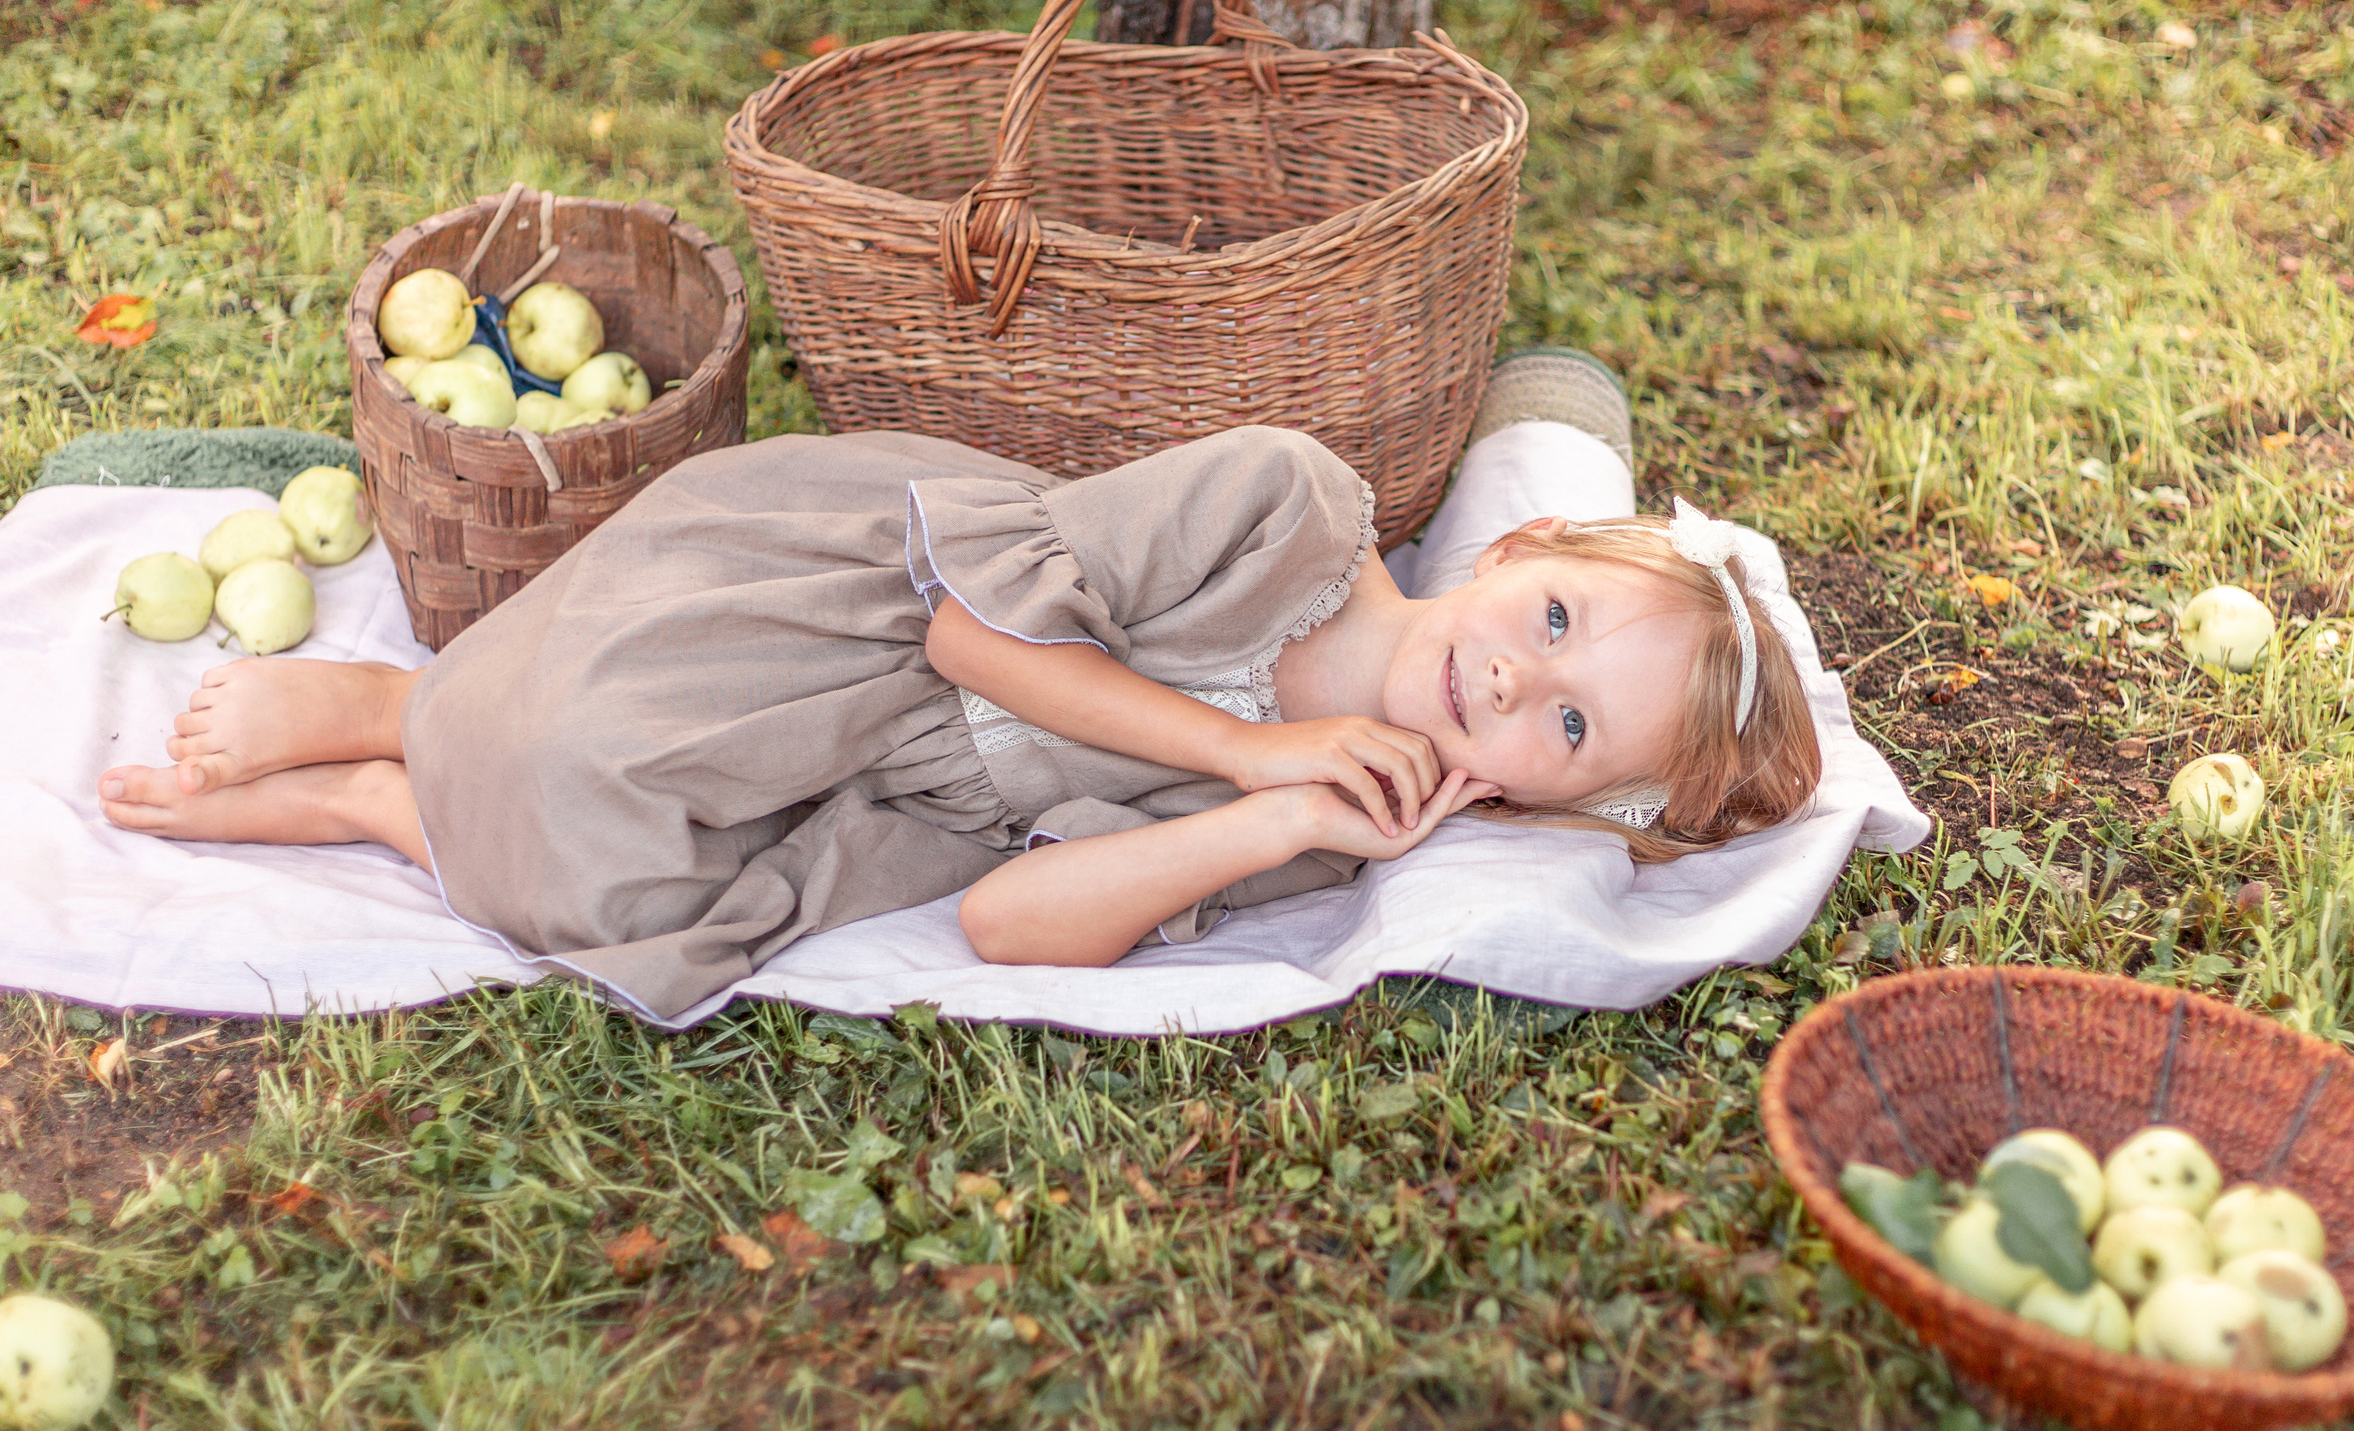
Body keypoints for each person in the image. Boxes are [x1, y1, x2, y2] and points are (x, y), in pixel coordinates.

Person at [94, 353, 1822, 1023]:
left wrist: (1269, 818)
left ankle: (375, 804)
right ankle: (402, 710)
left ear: (1537, 795)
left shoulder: (1346, 821)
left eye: (1573, 728)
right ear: (1538, 548)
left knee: (595, 889)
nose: (1521, 681)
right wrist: (1244, 742)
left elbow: (1010, 924)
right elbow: (974, 640)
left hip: (892, 804)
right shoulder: (1292, 506)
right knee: (580, 731)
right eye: (1567, 618)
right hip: (841, 615)